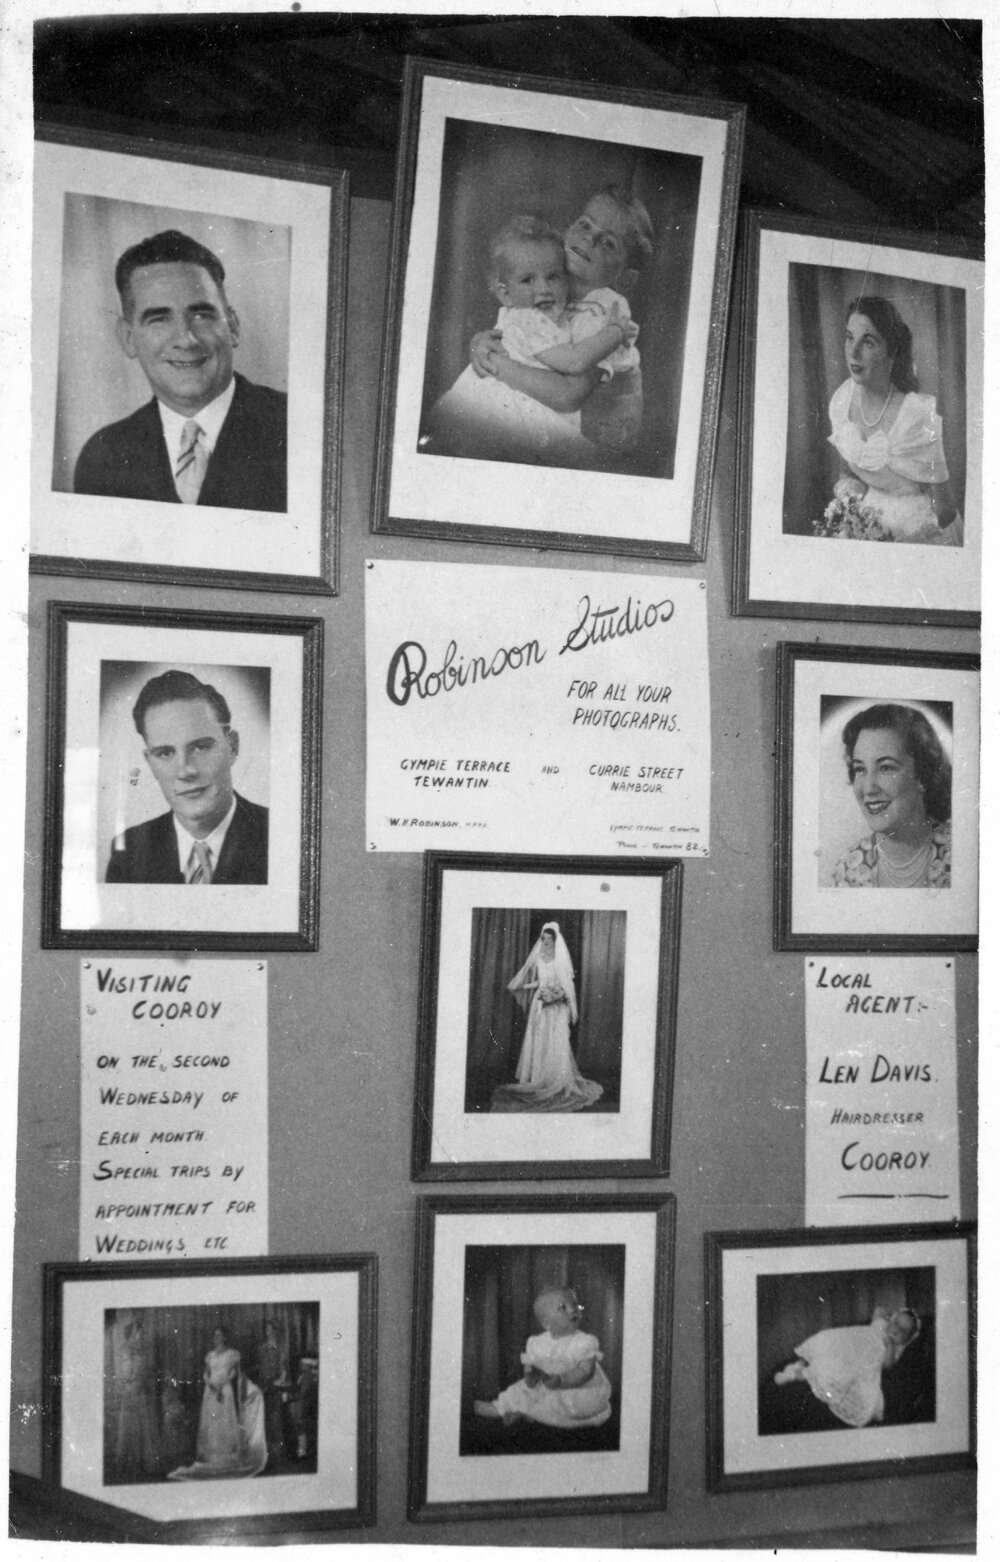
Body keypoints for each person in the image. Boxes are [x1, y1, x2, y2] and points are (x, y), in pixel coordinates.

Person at [74, 229, 287, 511]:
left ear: (233, 326)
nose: (186, 339)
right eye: (159, 319)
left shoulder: (296, 428)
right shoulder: (104, 457)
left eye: (201, 315)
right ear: (128, 338)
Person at [425, 216, 634, 467]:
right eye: (527, 280)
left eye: (554, 277)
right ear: (505, 294)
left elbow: (571, 392)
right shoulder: (527, 319)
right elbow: (574, 360)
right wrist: (616, 333)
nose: (543, 288)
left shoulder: (576, 311)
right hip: (501, 413)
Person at [466, 186, 654, 456]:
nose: (589, 239)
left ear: (624, 278)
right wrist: (483, 343)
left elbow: (568, 396)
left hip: (598, 448)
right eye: (585, 225)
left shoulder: (606, 310)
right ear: (568, 231)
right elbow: (524, 335)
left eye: (608, 243)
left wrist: (496, 363)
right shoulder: (553, 287)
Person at [105, 668, 269, 885]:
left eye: (200, 747)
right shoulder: (128, 853)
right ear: (150, 764)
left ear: (232, 747)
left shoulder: (278, 835)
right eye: (165, 753)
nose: (185, 771)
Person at [825, 295, 961, 544]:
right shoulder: (842, 400)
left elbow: (945, 508)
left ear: (893, 351)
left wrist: (909, 540)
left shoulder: (917, 416)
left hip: (920, 531)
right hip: (868, 524)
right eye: (849, 337)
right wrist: (851, 514)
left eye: (868, 342)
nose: (853, 352)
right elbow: (847, 471)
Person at [830, 703, 951, 889]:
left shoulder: (961, 854)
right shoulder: (848, 869)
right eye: (860, 769)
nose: (869, 788)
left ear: (922, 775)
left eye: (886, 767)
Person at [491, 921, 602, 1112]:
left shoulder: (560, 960)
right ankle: (538, 1076)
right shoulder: (539, 958)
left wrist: (558, 997)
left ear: (555, 941)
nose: (546, 942)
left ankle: (553, 1078)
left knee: (554, 1039)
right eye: (544, 939)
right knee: (539, 1038)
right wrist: (521, 986)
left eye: (550, 939)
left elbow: (566, 986)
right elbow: (539, 982)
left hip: (556, 1006)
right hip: (540, 1003)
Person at [474, 1286, 612, 1429]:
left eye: (575, 1305)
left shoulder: (584, 1342)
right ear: (547, 1324)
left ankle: (528, 1414)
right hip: (548, 1385)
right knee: (519, 1389)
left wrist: (561, 1380)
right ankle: (498, 1407)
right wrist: (530, 1376)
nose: (573, 1310)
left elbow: (586, 1372)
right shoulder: (537, 1343)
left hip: (582, 1389)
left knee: (560, 1401)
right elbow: (531, 1373)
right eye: (563, 1307)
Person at [773, 1307, 921, 1429]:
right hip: (851, 1343)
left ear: (906, 1339)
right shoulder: (881, 1324)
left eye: (903, 1331)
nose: (897, 1329)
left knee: (839, 1371)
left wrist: (889, 1344)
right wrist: (887, 1316)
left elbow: (888, 1365)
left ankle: (798, 1374)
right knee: (827, 1342)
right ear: (892, 1319)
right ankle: (799, 1365)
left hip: (861, 1360)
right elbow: (878, 1310)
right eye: (896, 1323)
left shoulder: (894, 1348)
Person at [168, 1326, 267, 1480]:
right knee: (211, 1422)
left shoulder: (231, 1354)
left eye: (219, 1335)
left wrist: (221, 1385)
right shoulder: (210, 1355)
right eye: (215, 1336)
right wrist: (211, 1384)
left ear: (225, 1337)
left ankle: (226, 1455)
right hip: (210, 1391)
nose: (217, 1338)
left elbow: (234, 1373)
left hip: (225, 1390)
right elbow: (206, 1373)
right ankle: (211, 1456)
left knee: (224, 1422)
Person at [110, 1313, 161, 1481]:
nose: (140, 1337)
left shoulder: (141, 1355)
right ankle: (128, 1462)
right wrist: (130, 1384)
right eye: (138, 1333)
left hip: (139, 1393)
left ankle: (141, 1462)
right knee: (128, 1427)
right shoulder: (126, 1354)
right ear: (131, 1334)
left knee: (142, 1428)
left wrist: (141, 1381)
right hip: (130, 1393)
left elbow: (144, 1373)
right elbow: (124, 1374)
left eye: (141, 1334)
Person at [256, 1318, 290, 1467]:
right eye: (267, 1331)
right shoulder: (262, 1349)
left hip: (276, 1387)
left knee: (276, 1419)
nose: (269, 1333)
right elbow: (262, 1370)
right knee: (266, 1420)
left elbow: (283, 1369)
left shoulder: (281, 1349)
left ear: (276, 1332)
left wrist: (280, 1380)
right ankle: (267, 1454)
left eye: (271, 1330)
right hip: (265, 1386)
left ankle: (279, 1455)